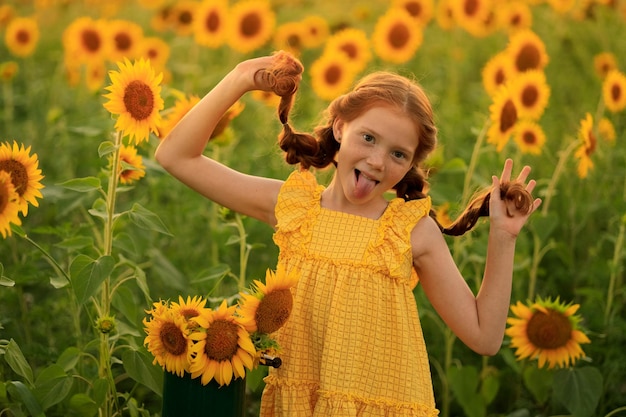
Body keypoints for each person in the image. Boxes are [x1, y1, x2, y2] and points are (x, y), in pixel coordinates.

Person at [155, 51, 542, 417]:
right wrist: (239, 78)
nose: (377, 162)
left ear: (410, 165)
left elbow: (484, 337)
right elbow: (175, 157)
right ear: (340, 126)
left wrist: (503, 238)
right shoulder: (293, 207)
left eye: (398, 154)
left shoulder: (410, 231)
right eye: (369, 138)